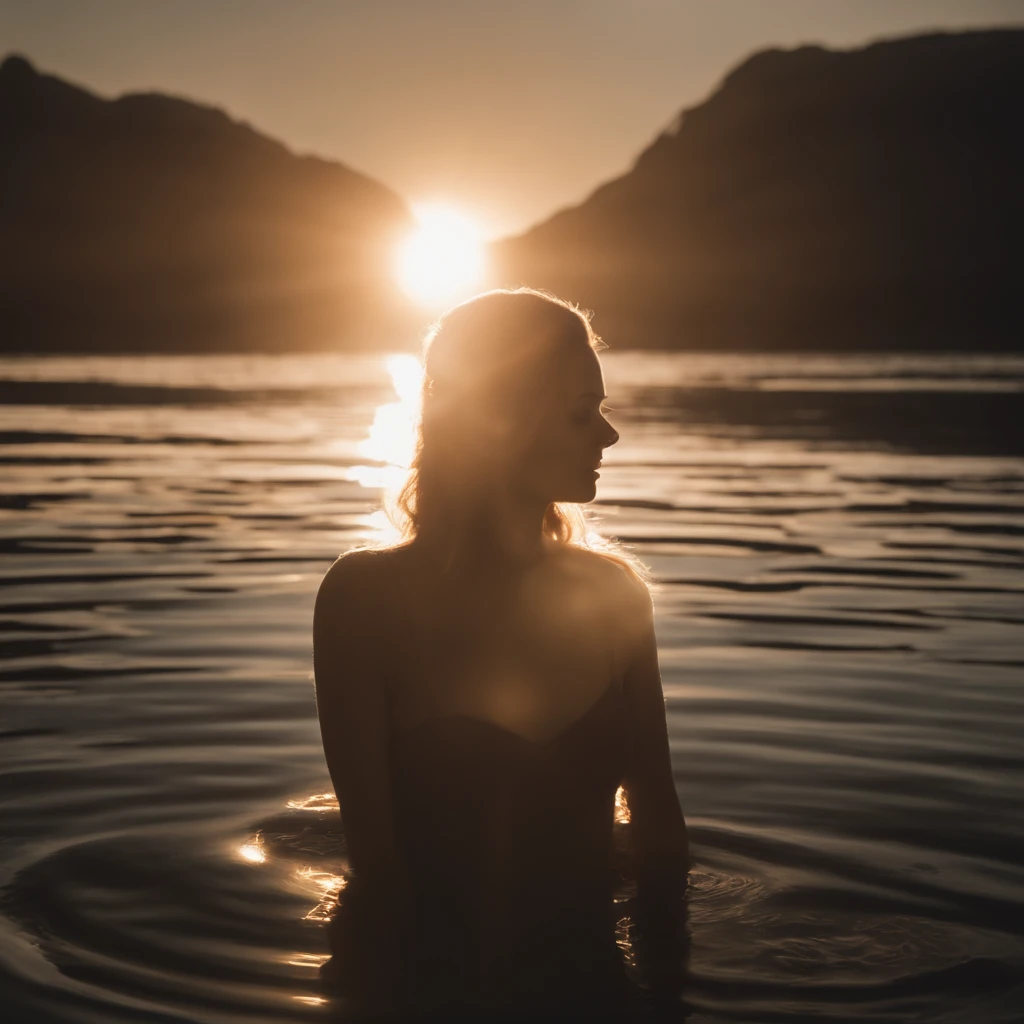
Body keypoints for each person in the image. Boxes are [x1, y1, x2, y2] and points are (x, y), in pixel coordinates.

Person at [313, 288, 691, 1020]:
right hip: (422, 978)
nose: (608, 437)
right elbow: (379, 863)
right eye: (583, 413)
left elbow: (660, 829)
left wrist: (674, 990)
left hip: (594, 974)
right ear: (501, 421)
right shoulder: (364, 599)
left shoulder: (616, 596)